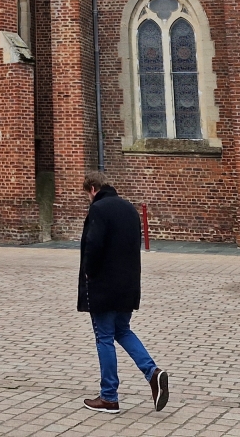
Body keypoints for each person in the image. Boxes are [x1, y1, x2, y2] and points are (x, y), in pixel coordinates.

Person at [78, 171, 169, 415]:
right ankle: (153, 373)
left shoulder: (98, 209)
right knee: (122, 330)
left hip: (104, 287)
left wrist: (89, 273)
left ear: (93, 189)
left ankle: (109, 396)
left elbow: (93, 246)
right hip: (128, 285)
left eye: (87, 195)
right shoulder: (129, 209)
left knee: (104, 337)